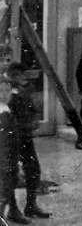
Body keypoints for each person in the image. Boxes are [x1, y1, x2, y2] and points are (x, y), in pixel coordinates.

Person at [6, 64, 49, 220]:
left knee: (33, 170)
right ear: (10, 76)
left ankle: (31, 206)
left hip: (25, 138)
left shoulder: (24, 93)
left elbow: (33, 110)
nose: (20, 78)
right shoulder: (8, 95)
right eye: (16, 75)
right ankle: (13, 210)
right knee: (11, 174)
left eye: (21, 74)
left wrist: (35, 120)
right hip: (10, 140)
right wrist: (27, 125)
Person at [0, 76, 24, 225]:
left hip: (10, 159)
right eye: (0, 91)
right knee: (3, 192)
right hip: (3, 162)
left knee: (8, 189)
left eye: (7, 90)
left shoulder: (7, 110)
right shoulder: (2, 114)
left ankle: (12, 213)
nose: (4, 94)